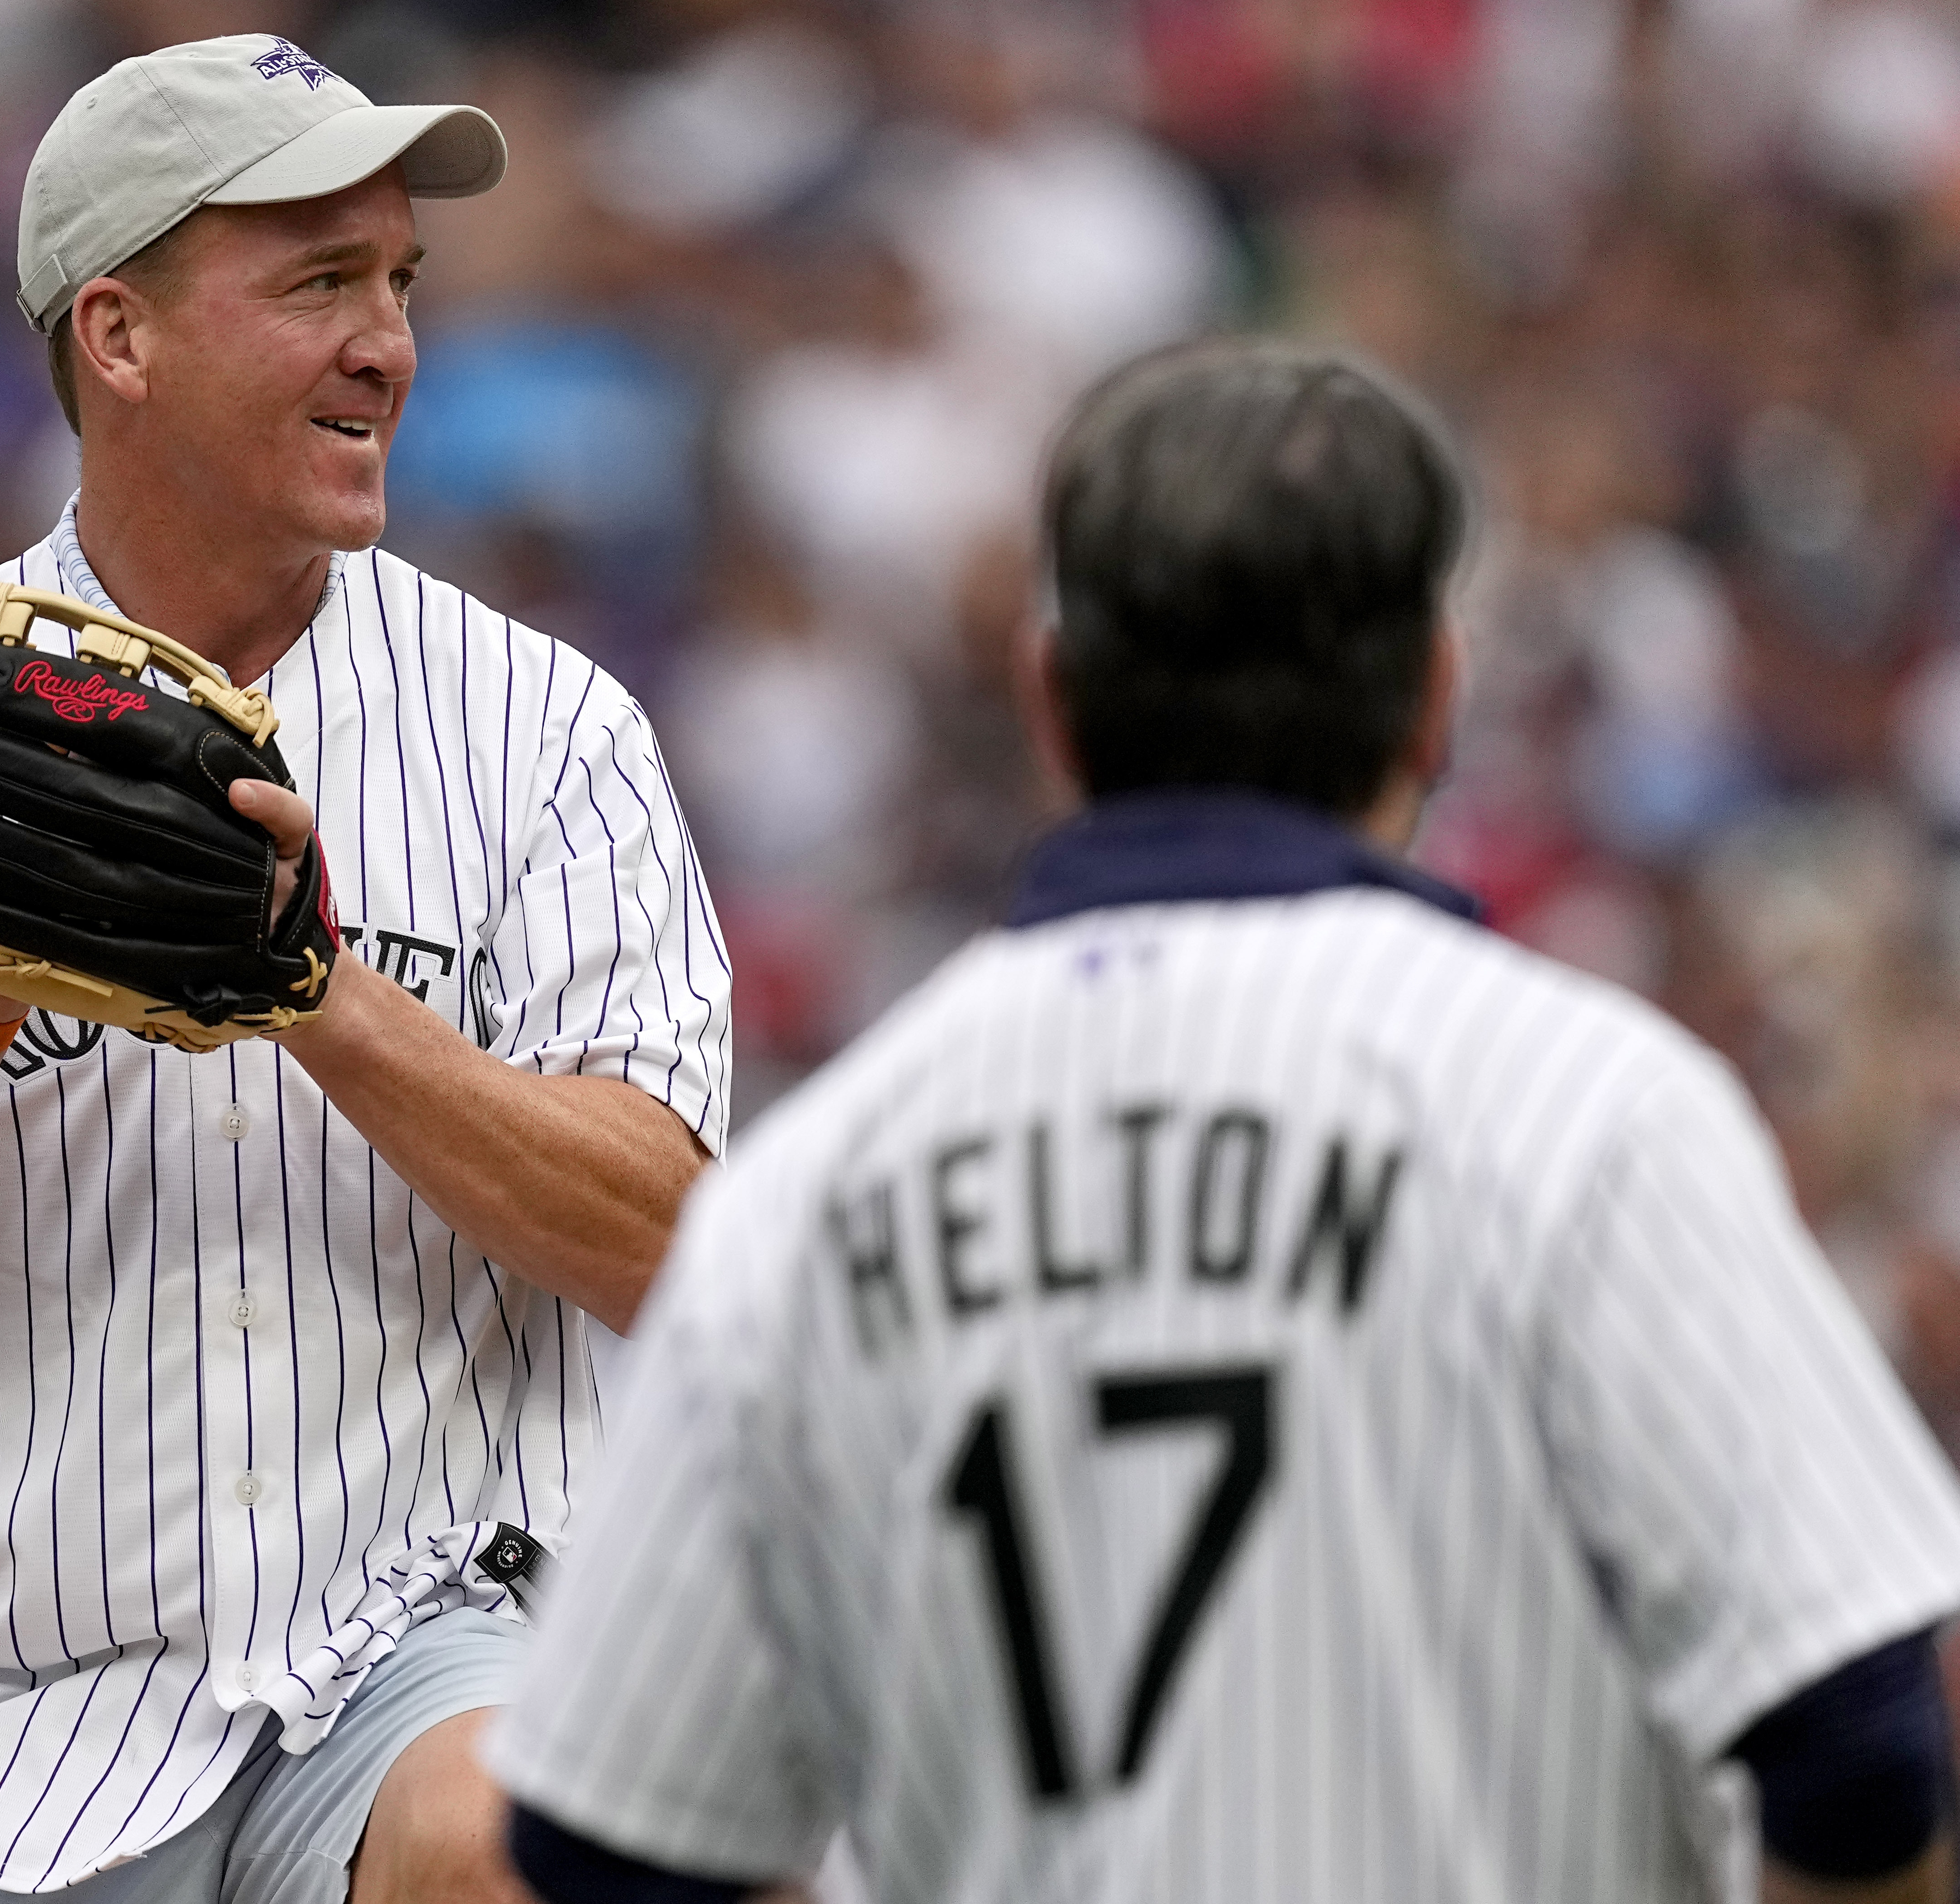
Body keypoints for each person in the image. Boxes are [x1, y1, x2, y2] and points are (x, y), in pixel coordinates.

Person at [486, 341, 1960, 1904]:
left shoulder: (803, 1196)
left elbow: (607, 1840)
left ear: (1051, 697)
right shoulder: (1590, 1110)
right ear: (1434, 700)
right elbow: (1861, 1754)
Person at [0, 35, 731, 1904]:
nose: (385, 341)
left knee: (519, 1850)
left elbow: (674, 1241)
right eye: (316, 281)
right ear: (120, 335)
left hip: (412, 1654)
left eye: (397, 282)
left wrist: (319, 996)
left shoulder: (543, 728)